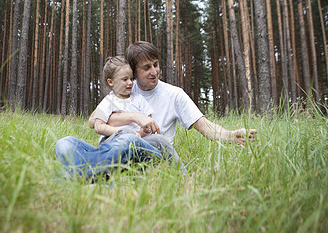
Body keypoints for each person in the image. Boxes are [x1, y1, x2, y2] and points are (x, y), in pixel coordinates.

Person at [88, 41, 256, 169]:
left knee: (157, 141)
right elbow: (92, 121)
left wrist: (231, 136)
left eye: (156, 64)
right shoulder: (124, 89)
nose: (154, 71)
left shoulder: (174, 95)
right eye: (146, 68)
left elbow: (205, 126)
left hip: (154, 157)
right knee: (67, 144)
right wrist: (134, 116)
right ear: (134, 71)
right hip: (121, 155)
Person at [55, 56, 162, 179]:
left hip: (134, 147)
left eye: (131, 79)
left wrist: (138, 134)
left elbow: (148, 125)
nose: (130, 83)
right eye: (125, 79)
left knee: (128, 140)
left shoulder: (139, 99)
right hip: (109, 147)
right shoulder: (107, 102)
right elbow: (98, 126)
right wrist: (123, 133)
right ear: (110, 82)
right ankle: (95, 172)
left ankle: (84, 174)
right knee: (65, 142)